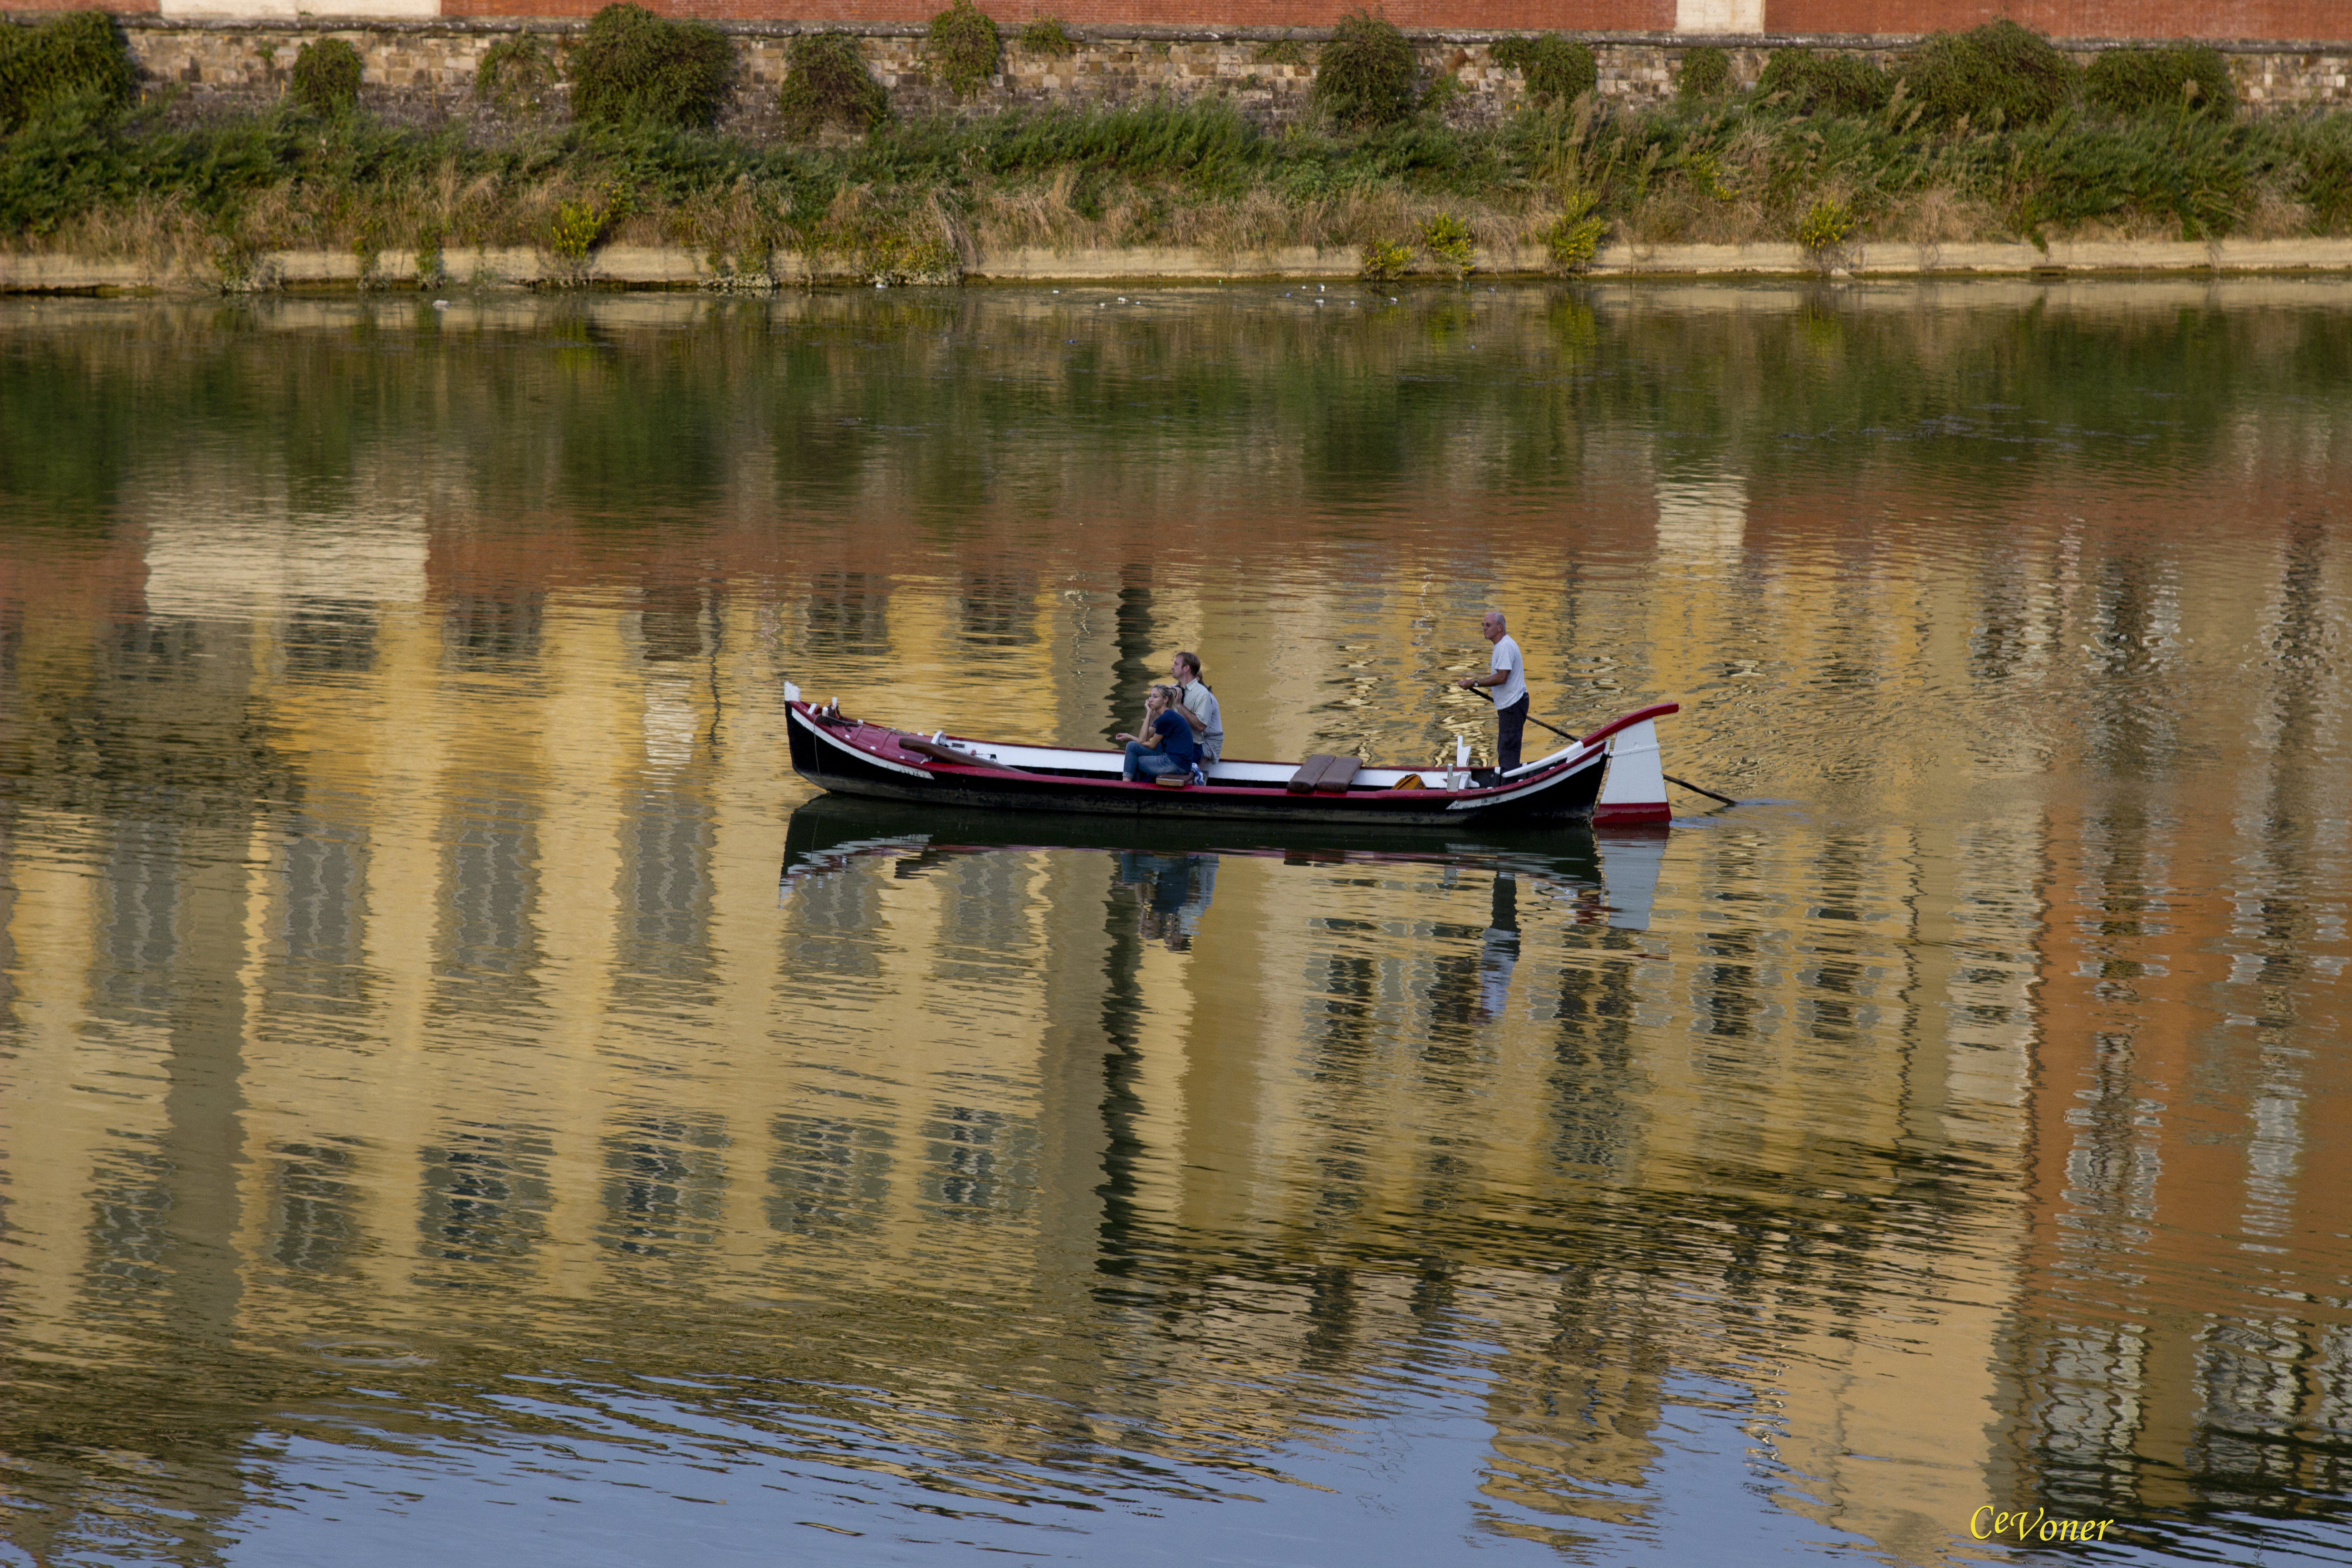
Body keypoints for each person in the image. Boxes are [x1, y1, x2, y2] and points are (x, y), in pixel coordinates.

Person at [1455, 609, 1528, 771]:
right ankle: (1509, 780)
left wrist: (1474, 683)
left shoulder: (1505, 647)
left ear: (1500, 628)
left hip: (1513, 707)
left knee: (1508, 753)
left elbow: (1502, 677)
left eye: (1488, 625)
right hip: (1510, 707)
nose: (1484, 628)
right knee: (1505, 749)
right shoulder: (1501, 646)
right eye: (1483, 625)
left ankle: (1509, 787)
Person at [1116, 684, 1200, 782]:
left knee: (1134, 762)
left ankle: (1129, 789)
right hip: (1169, 756)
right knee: (1132, 746)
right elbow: (1145, 737)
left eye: (1155, 697)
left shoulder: (1166, 719)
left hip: (1177, 764)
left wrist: (1129, 736)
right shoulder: (1162, 718)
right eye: (1150, 696)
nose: (1150, 700)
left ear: (1165, 700)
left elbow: (1151, 745)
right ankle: (1127, 786)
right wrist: (1149, 714)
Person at [1169, 651, 1223, 765]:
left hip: (1207, 741)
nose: (1172, 667)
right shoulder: (1176, 690)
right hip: (1188, 740)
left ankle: (1195, 774)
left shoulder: (1206, 696)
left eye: (1176, 664)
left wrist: (1179, 705)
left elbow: (1200, 727)